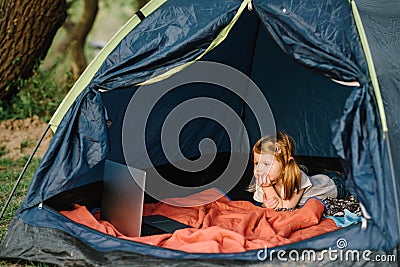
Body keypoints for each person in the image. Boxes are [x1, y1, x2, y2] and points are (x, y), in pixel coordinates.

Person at [248, 131, 338, 210]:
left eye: (267, 164)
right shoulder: (263, 179)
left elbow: (283, 209)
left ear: (285, 165)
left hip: (333, 184)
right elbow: (264, 204)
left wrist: (267, 187)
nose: (259, 169)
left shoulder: (296, 178)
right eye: (256, 163)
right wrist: (265, 204)